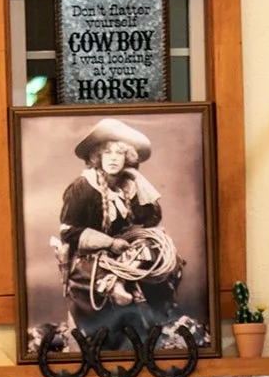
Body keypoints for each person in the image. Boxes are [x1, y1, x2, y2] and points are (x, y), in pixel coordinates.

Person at [53, 117, 184, 330]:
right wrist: (109, 244)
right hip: (89, 258)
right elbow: (68, 231)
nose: (113, 159)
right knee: (106, 265)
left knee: (157, 244)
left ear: (127, 158)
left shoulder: (127, 187)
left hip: (123, 252)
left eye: (120, 153)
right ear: (97, 156)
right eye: (108, 152)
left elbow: (151, 220)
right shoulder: (83, 187)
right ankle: (112, 284)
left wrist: (139, 180)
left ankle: (125, 287)